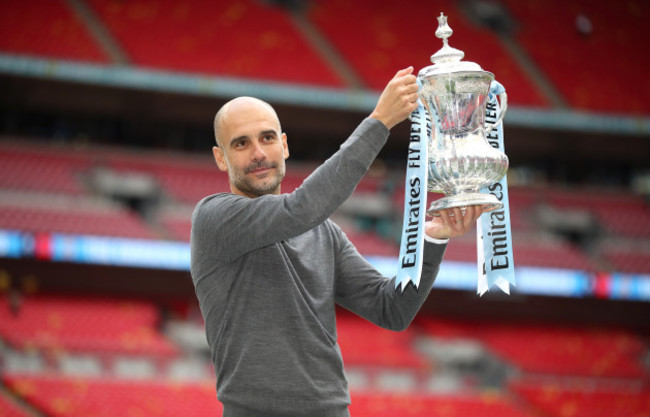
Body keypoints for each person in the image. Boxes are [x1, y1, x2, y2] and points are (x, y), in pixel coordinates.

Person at [190, 67, 483, 417]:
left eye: (267, 138)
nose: (258, 152)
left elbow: (391, 309)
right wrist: (379, 123)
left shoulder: (323, 233)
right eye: (241, 143)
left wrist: (431, 241)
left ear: (283, 145)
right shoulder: (213, 217)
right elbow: (299, 209)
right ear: (221, 157)